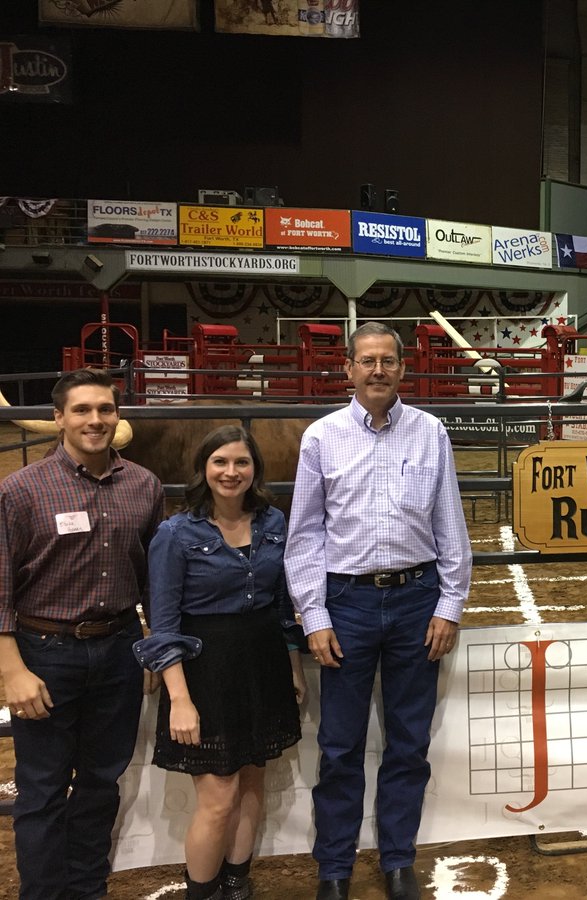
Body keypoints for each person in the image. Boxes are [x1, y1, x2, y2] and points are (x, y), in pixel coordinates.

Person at [285, 321, 472, 900]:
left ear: (401, 368)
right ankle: (334, 870)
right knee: (339, 745)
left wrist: (450, 604)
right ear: (348, 369)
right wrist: (313, 615)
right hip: (347, 604)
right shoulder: (321, 437)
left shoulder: (430, 432)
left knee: (408, 742)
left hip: (418, 601)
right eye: (366, 361)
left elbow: (450, 523)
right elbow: (305, 536)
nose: (377, 370)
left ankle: (397, 861)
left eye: (387, 360)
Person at [0, 368, 164, 900]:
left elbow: (149, 578)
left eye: (105, 409)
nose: (95, 420)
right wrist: (12, 670)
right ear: (58, 419)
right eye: (82, 410)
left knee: (99, 783)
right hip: (44, 653)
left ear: (117, 417)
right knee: (43, 790)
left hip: (117, 649)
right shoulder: (20, 490)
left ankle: (87, 890)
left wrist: (148, 646)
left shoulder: (144, 486)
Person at [134, 425, 305, 900]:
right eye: (220, 463)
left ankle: (237, 884)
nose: (231, 472)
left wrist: (293, 667)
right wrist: (180, 700)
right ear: (204, 470)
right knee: (218, 797)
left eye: (241, 463)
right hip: (205, 670)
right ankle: (202, 893)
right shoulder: (175, 533)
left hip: (264, 661)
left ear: (255, 470)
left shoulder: (274, 523)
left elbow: (280, 604)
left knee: (252, 782)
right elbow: (164, 623)